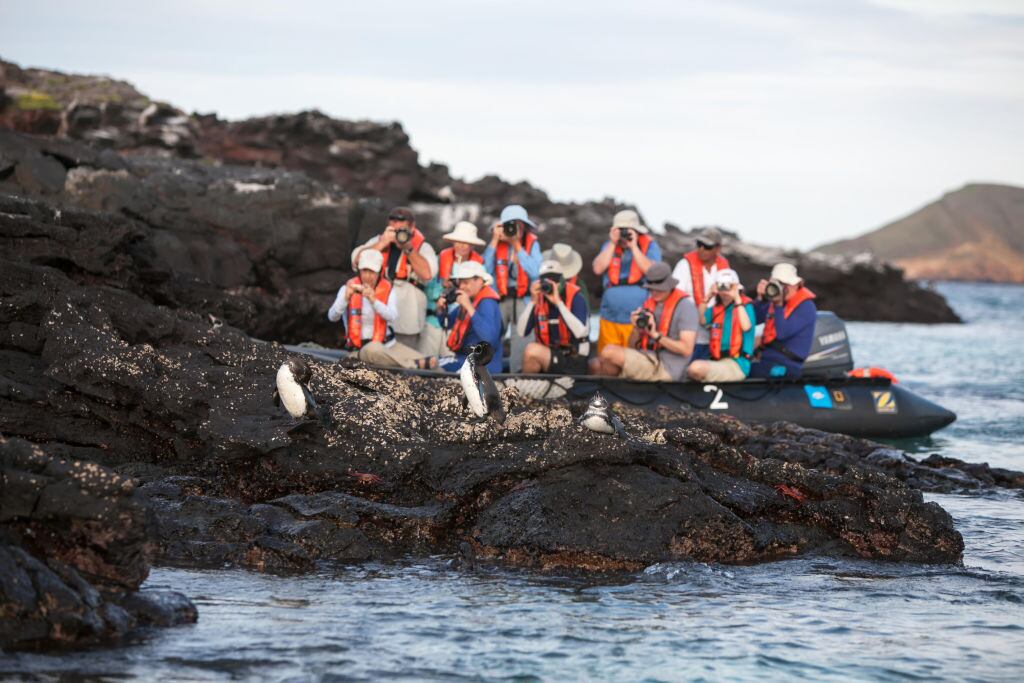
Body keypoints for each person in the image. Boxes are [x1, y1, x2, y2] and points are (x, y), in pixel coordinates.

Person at [591, 262, 698, 381]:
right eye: (651, 289)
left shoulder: (686, 307)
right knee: (595, 364)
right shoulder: (649, 304)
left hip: (667, 367)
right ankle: (611, 396)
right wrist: (636, 328)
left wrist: (656, 336)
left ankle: (612, 394)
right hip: (646, 357)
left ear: (669, 286)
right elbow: (632, 347)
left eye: (659, 289)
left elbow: (686, 349)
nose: (655, 292)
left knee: (608, 351)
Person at [350, 206, 438, 348]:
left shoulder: (423, 247)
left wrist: (408, 248)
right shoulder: (378, 241)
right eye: (394, 228)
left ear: (412, 227)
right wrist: (382, 243)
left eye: (401, 230)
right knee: (374, 352)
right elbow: (356, 261)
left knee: (404, 356)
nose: (398, 233)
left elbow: (428, 274)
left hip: (407, 311)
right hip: (377, 308)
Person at [327, 250, 423, 368]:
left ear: (380, 272)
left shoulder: (388, 289)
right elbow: (332, 317)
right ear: (359, 271)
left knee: (427, 360)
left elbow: (392, 316)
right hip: (360, 350)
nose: (367, 276)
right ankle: (411, 365)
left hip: (388, 345)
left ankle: (415, 363)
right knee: (373, 349)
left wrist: (374, 301)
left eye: (372, 272)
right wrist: (345, 299)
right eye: (364, 271)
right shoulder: (347, 289)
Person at [591, 209, 662, 355]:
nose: (624, 235)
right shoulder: (609, 245)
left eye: (627, 231)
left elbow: (652, 272)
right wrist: (612, 243)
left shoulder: (649, 246)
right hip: (610, 317)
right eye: (620, 230)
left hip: (636, 320)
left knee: (633, 360)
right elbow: (598, 269)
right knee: (607, 357)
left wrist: (634, 246)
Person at [483, 204, 543, 372]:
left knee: (522, 342)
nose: (513, 228)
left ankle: (518, 379)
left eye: (518, 224)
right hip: (499, 300)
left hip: (522, 300)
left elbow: (536, 272)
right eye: (510, 224)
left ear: (524, 226)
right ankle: (488, 376)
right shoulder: (497, 244)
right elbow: (484, 271)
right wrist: (494, 241)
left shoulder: (532, 244)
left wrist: (517, 246)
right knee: (491, 337)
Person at [517, 259, 591, 374]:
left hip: (575, 358)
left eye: (555, 280)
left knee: (532, 350)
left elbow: (581, 333)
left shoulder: (577, 298)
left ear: (562, 281)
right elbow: (521, 332)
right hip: (551, 356)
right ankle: (531, 390)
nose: (551, 285)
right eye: (546, 281)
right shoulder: (539, 300)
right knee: (531, 355)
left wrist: (559, 304)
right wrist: (532, 302)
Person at [432, 260, 503, 374]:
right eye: (460, 283)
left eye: (466, 282)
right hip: (465, 360)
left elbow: (489, 339)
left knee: (432, 365)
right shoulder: (470, 300)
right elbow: (447, 323)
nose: (462, 287)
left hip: (483, 366)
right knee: (430, 363)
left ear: (479, 281)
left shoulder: (487, 302)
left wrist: (469, 308)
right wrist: (441, 309)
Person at [750, 263, 818, 378]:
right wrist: (761, 300)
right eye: (779, 285)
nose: (783, 289)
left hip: (787, 365)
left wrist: (778, 304)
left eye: (786, 285)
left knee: (747, 371)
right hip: (766, 359)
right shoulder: (775, 303)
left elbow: (782, 333)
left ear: (796, 285)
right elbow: (753, 320)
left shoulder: (806, 307)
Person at [687, 268, 755, 382]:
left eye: (729, 286)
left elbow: (746, 327)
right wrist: (707, 297)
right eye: (721, 286)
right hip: (717, 361)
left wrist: (736, 297)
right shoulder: (716, 309)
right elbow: (701, 320)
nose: (725, 291)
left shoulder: (745, 307)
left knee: (696, 368)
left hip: (737, 364)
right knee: (688, 370)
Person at [672, 227, 730, 360]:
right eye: (699, 244)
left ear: (718, 248)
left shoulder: (724, 267)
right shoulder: (684, 265)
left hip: (716, 331)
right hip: (690, 331)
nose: (701, 249)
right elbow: (676, 296)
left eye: (707, 246)